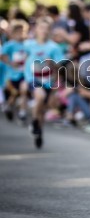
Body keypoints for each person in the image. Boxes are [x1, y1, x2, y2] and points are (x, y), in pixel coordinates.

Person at [23, 17, 64, 148]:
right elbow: (22, 58)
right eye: (41, 28)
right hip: (33, 78)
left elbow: (60, 66)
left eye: (47, 29)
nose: (44, 31)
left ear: (50, 31)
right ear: (36, 29)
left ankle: (39, 131)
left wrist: (51, 63)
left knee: (41, 109)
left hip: (48, 80)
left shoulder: (54, 47)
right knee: (39, 97)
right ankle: (35, 122)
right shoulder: (28, 44)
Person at [1, 20, 29, 121]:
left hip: (23, 73)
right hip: (11, 74)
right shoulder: (9, 45)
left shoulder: (26, 44)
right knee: (14, 93)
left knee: (23, 91)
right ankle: (8, 106)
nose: (20, 34)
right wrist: (10, 63)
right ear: (13, 33)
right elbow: (2, 56)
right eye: (18, 32)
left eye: (22, 32)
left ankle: (22, 112)